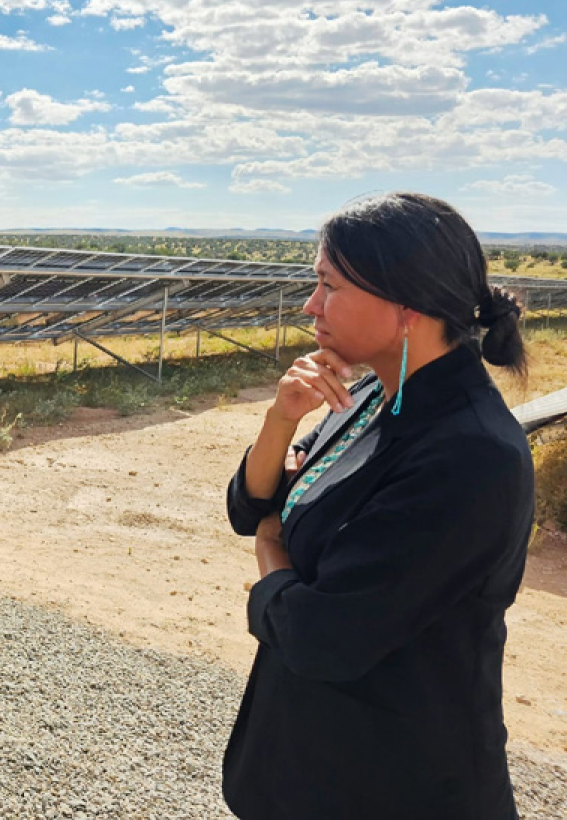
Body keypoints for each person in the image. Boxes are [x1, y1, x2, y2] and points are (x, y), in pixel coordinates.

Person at [222, 192, 534, 820]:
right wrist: (280, 419)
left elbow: (317, 636)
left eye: (329, 286)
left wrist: (271, 547)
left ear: (405, 308)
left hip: (398, 782)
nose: (312, 305)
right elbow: (253, 502)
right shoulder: (374, 397)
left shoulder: (469, 455)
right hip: (320, 765)